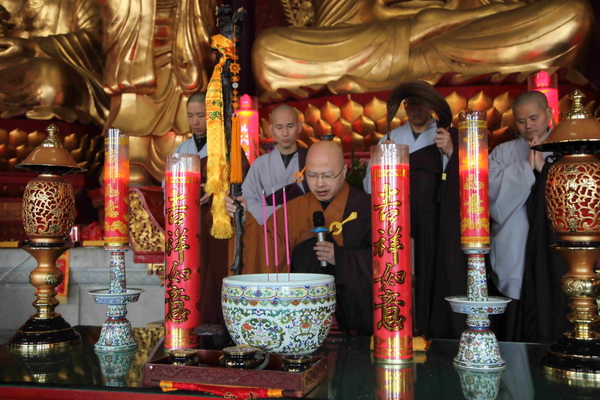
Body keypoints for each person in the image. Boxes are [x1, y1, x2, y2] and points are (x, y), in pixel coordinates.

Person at [252, 0, 592, 102]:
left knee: (572, 16)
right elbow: (340, 24)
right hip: (374, 47)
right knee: (269, 50)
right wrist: (410, 30)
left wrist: (459, 17)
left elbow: (501, 7)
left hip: (459, 41)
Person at [226, 141, 373, 334]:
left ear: (344, 171)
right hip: (302, 322)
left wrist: (341, 257)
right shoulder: (293, 209)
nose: (320, 183)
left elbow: (388, 263)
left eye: (328, 176)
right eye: (312, 175)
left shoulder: (367, 208)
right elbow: (266, 248)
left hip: (357, 323)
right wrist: (244, 218)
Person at [362, 82, 463, 338]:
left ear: (430, 106)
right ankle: (399, 330)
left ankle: (432, 330)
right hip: (396, 219)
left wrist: (450, 150)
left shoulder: (444, 135)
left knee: (431, 273)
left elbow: (459, 176)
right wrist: (382, 158)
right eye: (411, 104)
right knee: (397, 273)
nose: (417, 109)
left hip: (432, 218)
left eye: (421, 104)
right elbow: (368, 185)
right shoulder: (392, 137)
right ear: (405, 107)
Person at [489, 91, 569, 341]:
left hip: (553, 249)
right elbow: (491, 193)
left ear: (548, 114)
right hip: (514, 244)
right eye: (521, 121)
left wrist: (543, 172)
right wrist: (526, 169)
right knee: (515, 315)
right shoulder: (503, 153)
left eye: (533, 118)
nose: (528, 126)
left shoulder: (566, 149)